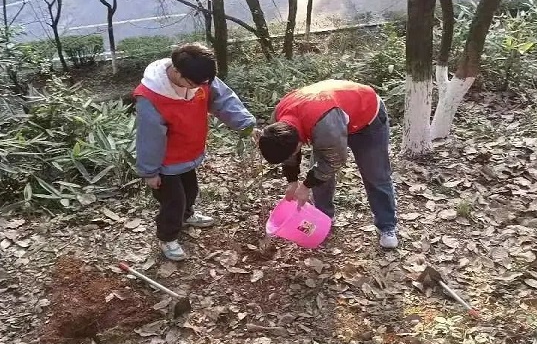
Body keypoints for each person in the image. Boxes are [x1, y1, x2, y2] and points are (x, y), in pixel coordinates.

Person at [133, 43, 256, 261]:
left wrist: (246, 125)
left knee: (190, 191)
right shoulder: (150, 97)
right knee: (174, 201)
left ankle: (187, 215)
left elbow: (224, 100)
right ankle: (167, 237)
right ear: (177, 72)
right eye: (194, 84)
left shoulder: (200, 77)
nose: (200, 88)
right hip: (165, 163)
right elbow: (149, 138)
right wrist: (150, 172)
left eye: (204, 83)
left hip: (189, 153)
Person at [257, 79, 399, 249]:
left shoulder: (324, 127)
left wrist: (306, 186)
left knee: (375, 174)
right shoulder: (278, 122)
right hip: (330, 115)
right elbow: (287, 152)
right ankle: (324, 218)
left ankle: (387, 226)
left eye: (293, 152)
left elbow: (334, 161)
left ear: (298, 143)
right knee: (319, 176)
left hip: (366, 116)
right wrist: (292, 181)